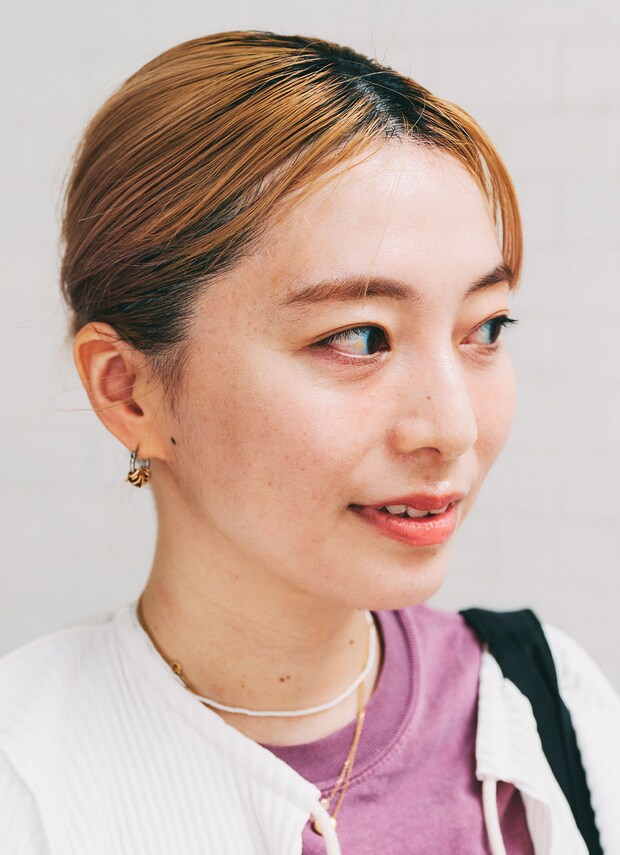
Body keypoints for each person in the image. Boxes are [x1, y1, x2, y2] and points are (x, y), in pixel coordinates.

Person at [0, 30, 618, 855]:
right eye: (359, 337)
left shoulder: (548, 704)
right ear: (129, 390)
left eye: (486, 328)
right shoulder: (26, 780)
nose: (453, 428)